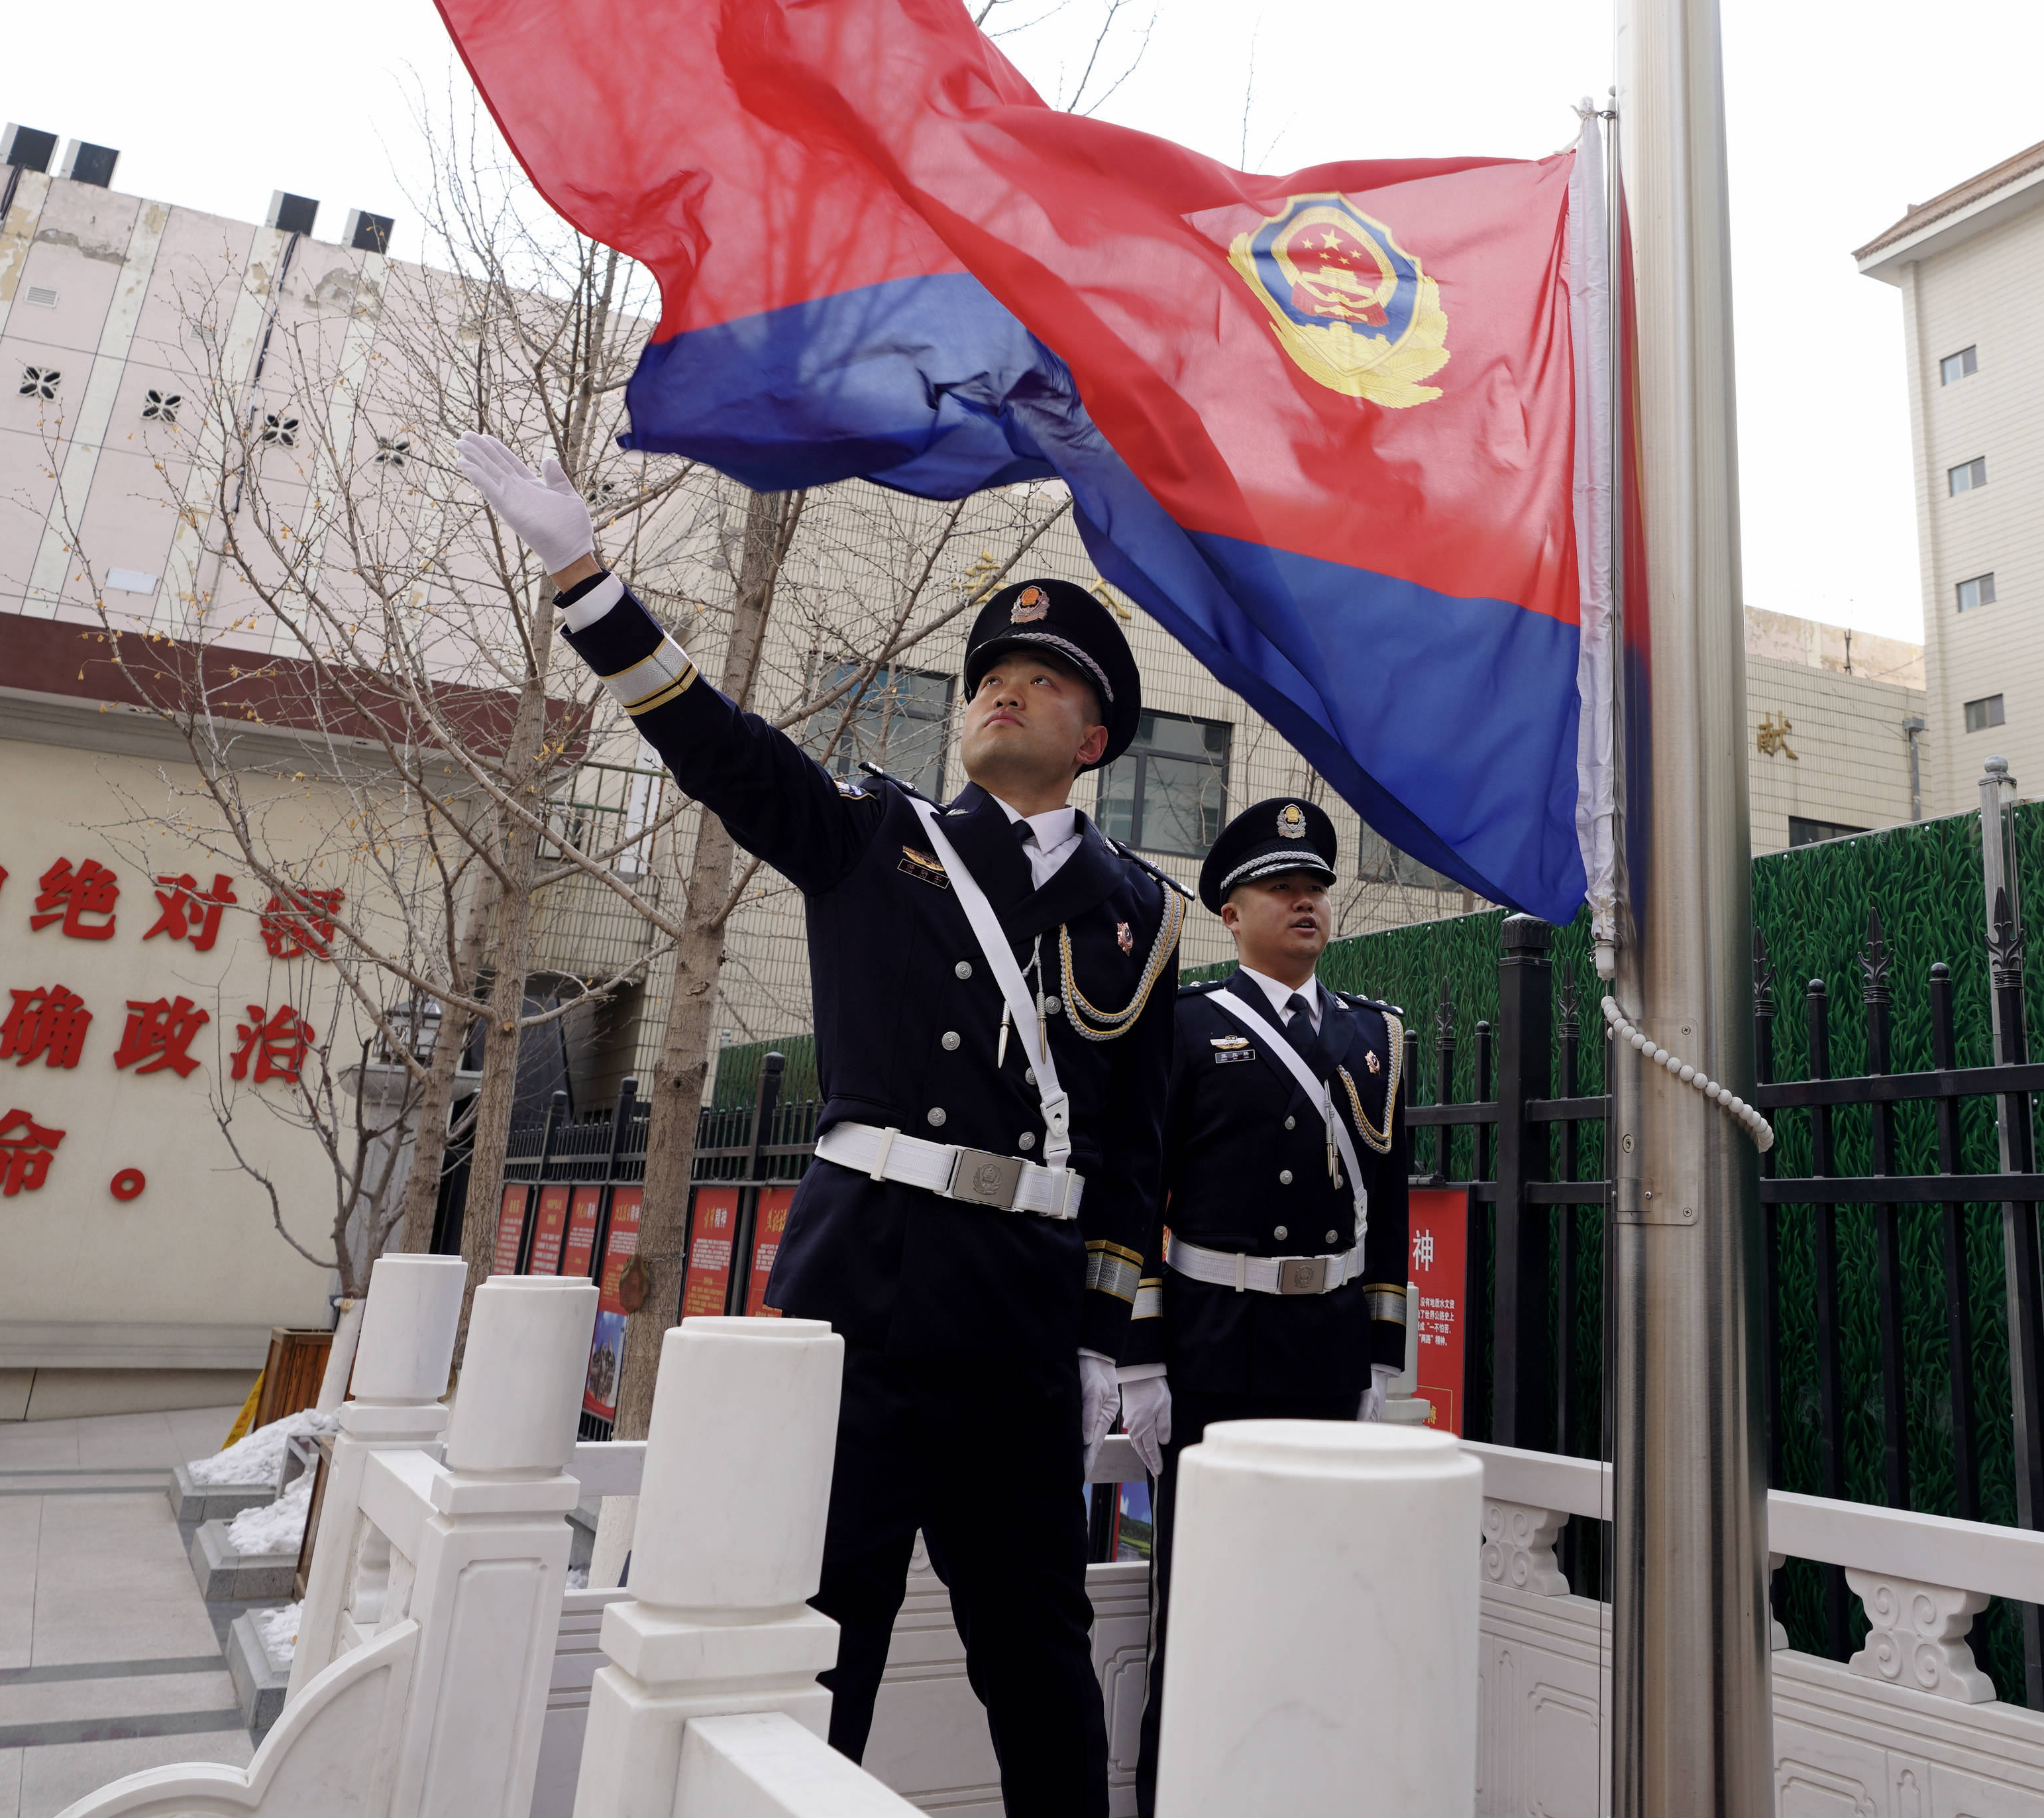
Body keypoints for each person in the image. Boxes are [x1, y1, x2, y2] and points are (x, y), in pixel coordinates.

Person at [457, 436, 1178, 1815]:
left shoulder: (1139, 911)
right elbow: (718, 747)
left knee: (1040, 1654)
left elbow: (1131, 1151)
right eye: (990, 676)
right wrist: (587, 580)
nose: (1002, 689)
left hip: (1024, 1321)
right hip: (867, 1290)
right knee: (818, 1632)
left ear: (1092, 737)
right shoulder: (872, 832)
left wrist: (1101, 1342)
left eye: (1043, 680)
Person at [1130, 795, 1408, 1815]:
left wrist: (1382, 1364)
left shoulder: (1374, 1036)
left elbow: (1386, 1209)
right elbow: (1135, 1196)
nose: (1305, 901)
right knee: (1203, 1597)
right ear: (1230, 912)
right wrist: (1141, 1360)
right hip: (1216, 1344)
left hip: (1327, 1346)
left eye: (1316, 887)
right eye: (1280, 887)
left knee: (1324, 1590)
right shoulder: (1188, 1029)